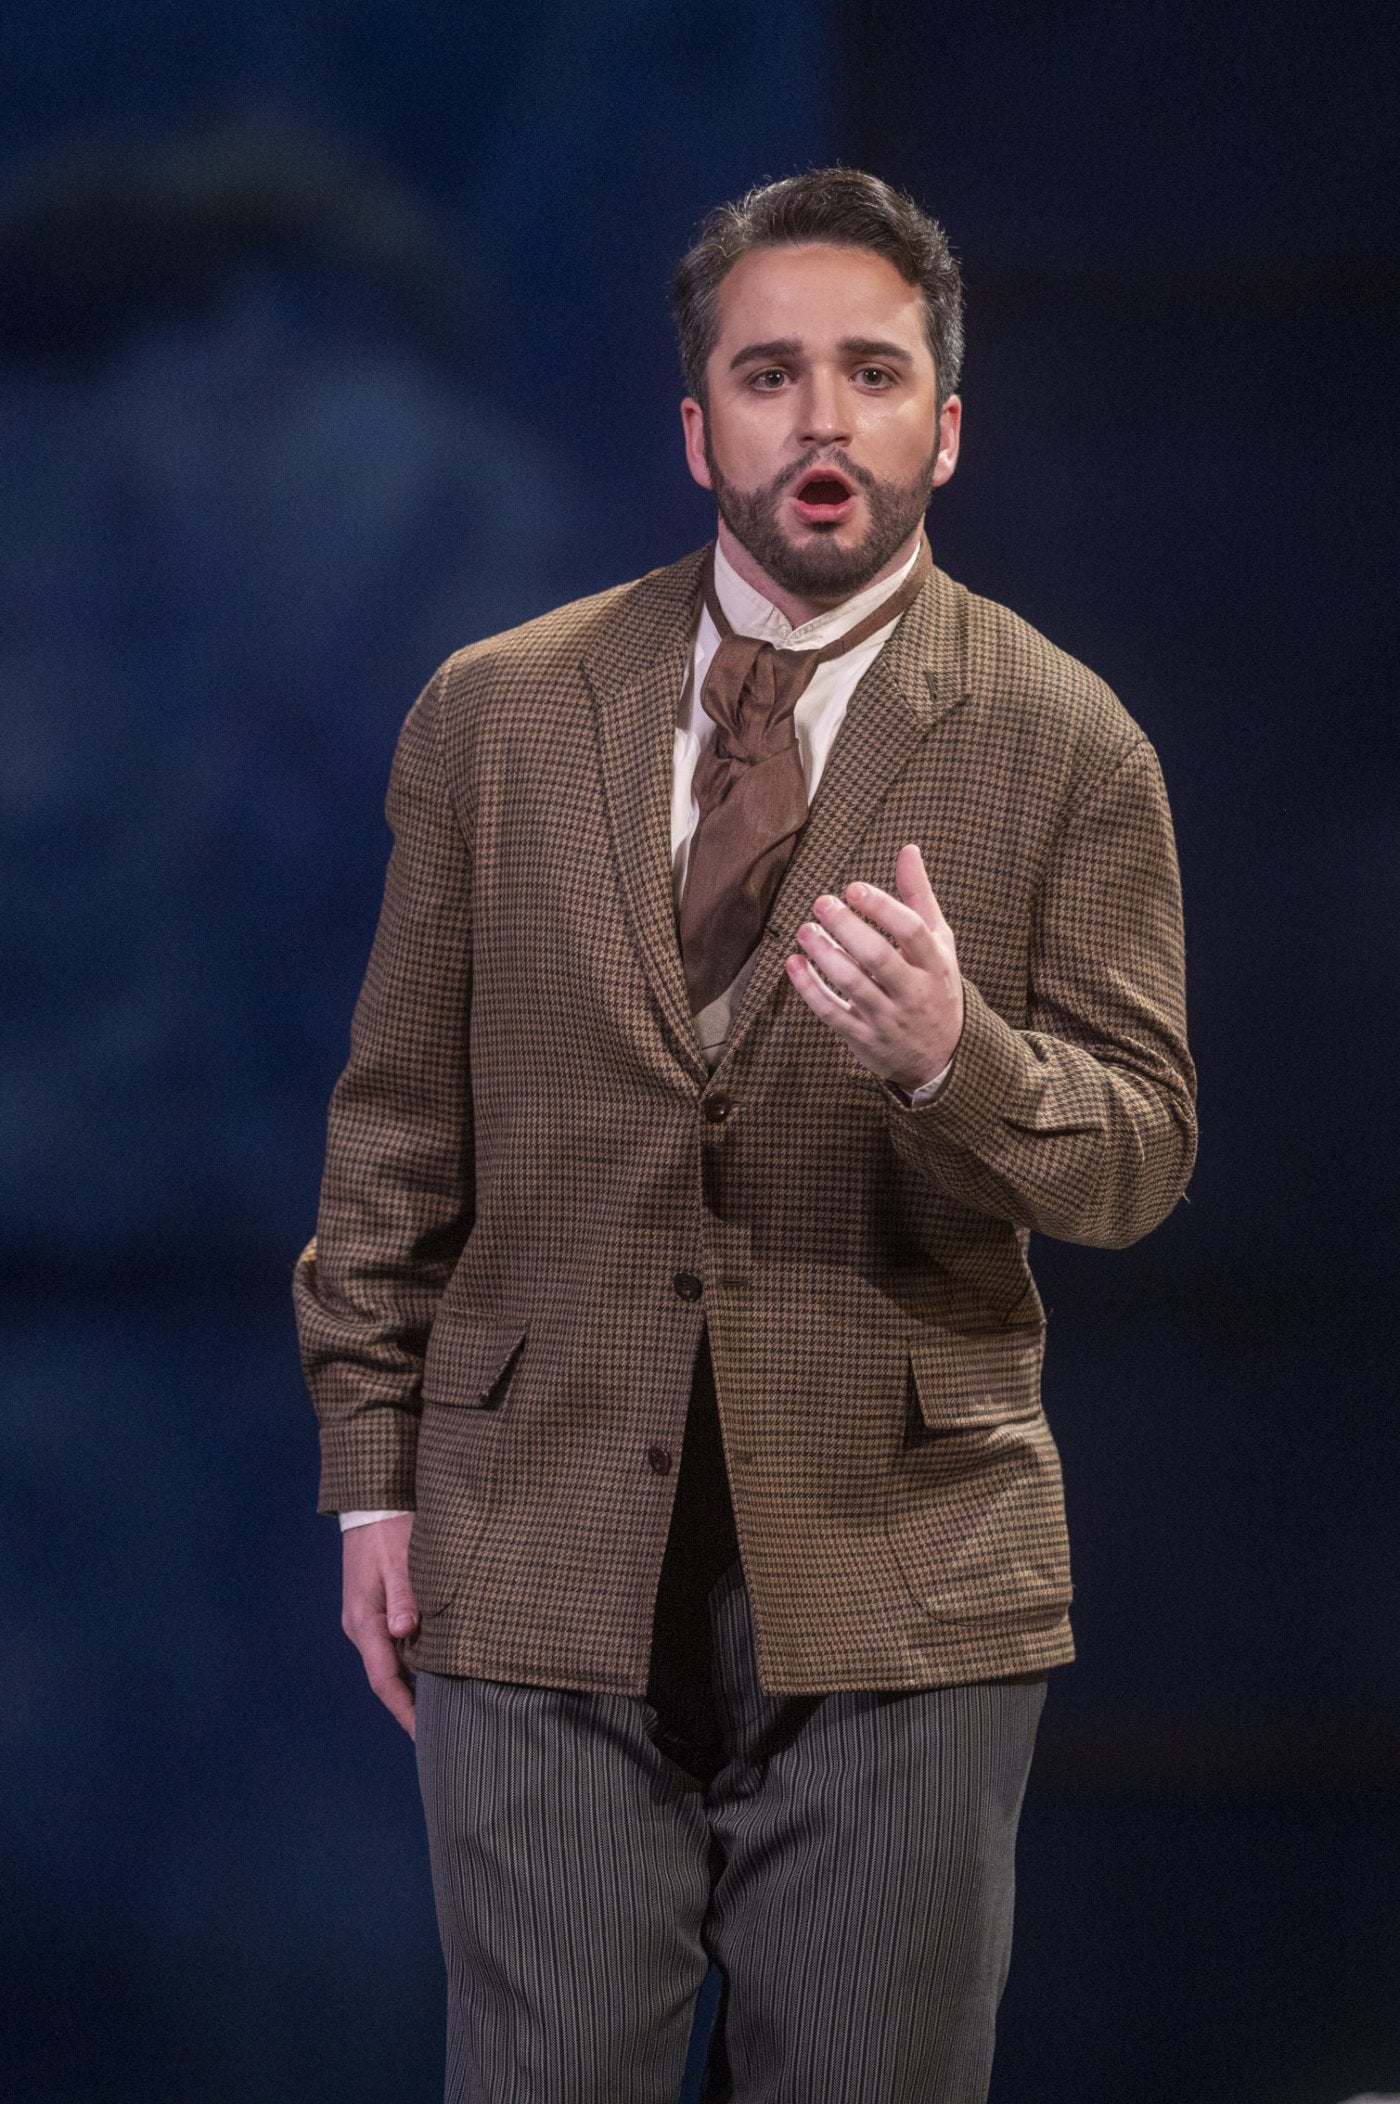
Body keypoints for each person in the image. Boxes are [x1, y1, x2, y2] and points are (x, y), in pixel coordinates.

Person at [294, 167, 1196, 2104]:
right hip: (535, 1532)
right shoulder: (502, 716)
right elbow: (395, 1127)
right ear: (698, 425)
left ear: (943, 425)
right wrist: (372, 1472)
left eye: (872, 373)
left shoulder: (1063, 742)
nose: (823, 416)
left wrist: (962, 1059)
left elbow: (1137, 1149)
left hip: (902, 1559)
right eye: (770, 374)